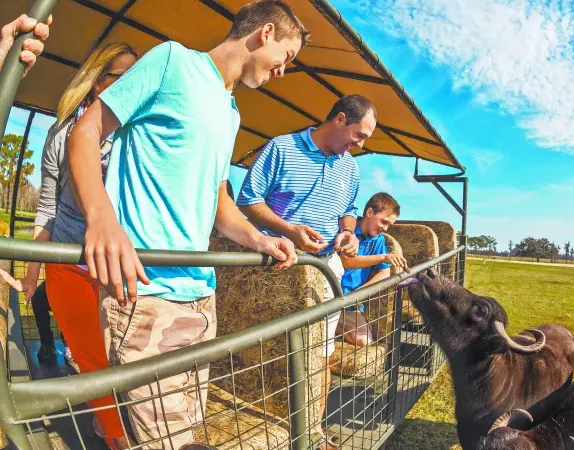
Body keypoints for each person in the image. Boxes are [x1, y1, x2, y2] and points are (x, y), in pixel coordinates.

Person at [66, 1, 305, 447]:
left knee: (186, 430)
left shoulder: (230, 110)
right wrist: (101, 218)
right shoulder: (172, 60)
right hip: (146, 291)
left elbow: (218, 201)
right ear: (266, 32)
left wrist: (259, 238)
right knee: (166, 441)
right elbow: (85, 132)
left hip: (201, 297)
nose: (283, 71)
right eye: (286, 58)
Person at [0, 41, 138, 450]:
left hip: (122, 264)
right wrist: (31, 270)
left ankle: (117, 424)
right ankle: (114, 436)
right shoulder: (63, 133)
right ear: (98, 82)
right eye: (122, 76)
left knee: (126, 357)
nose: (133, 85)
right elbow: (47, 205)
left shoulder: (141, 133)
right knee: (94, 359)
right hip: (71, 263)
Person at [237, 94, 377, 450]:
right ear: (340, 120)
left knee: (321, 353)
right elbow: (248, 201)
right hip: (274, 267)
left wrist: (348, 231)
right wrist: (289, 230)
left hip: (324, 269)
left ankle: (313, 434)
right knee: (269, 351)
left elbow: (349, 208)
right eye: (358, 135)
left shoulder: (350, 167)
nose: (359, 144)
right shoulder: (281, 148)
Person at [336, 192, 408, 346]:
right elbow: (345, 261)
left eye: (389, 224)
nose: (386, 228)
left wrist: (359, 293)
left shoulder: (378, 240)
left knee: (364, 341)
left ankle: (334, 329)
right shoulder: (346, 231)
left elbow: (385, 272)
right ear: (369, 212)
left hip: (350, 305)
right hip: (328, 300)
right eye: (384, 221)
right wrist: (383, 257)